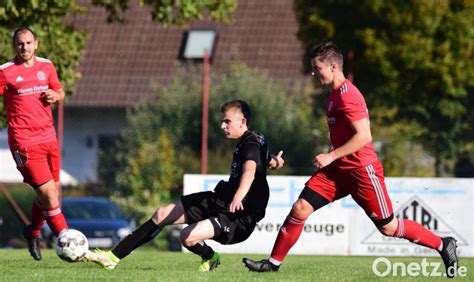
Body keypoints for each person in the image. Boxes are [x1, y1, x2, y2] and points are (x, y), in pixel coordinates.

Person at [242, 42, 459, 278]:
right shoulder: (334, 96)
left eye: (317, 68)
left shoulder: (349, 97)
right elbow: (341, 134)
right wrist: (331, 153)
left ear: (334, 66)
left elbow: (365, 136)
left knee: (389, 227)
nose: (313, 73)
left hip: (361, 171)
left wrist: (331, 155)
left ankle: (442, 244)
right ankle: (272, 264)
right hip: (337, 171)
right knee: (300, 208)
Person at [85, 99, 285, 271]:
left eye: (227, 121)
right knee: (162, 214)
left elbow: (250, 171)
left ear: (243, 121)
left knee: (187, 237)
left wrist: (238, 197)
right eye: (222, 121)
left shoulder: (250, 144)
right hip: (221, 199)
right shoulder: (255, 140)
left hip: (238, 215)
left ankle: (209, 256)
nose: (222, 126)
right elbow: (265, 158)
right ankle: (112, 258)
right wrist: (276, 162)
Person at [0, 27, 68, 261]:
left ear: (36, 44)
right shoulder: (6, 72)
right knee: (49, 195)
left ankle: (33, 232)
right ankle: (69, 242)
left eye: (29, 43)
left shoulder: (46, 66)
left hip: (48, 138)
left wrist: (56, 96)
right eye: (20, 44)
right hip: (24, 141)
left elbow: (60, 91)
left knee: (53, 194)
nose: (25, 48)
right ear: (14, 46)